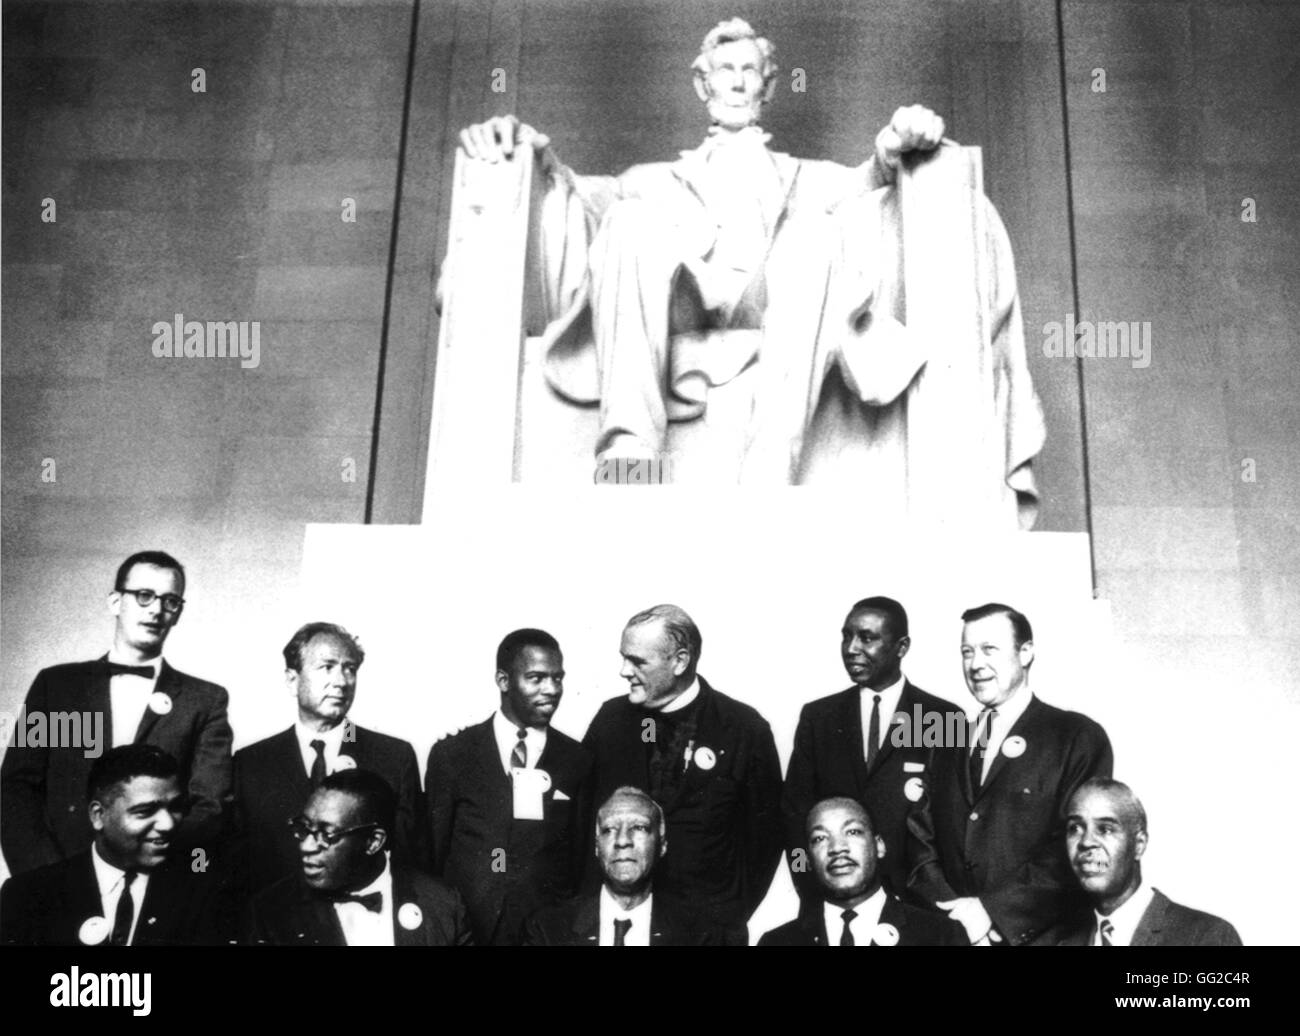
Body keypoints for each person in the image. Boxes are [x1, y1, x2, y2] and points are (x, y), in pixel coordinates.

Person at [455, 18, 1043, 512]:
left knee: (816, 232)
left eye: (748, 72)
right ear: (701, 84)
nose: (736, 83)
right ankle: (631, 454)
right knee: (630, 222)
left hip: (772, 295)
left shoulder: (807, 178)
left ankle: (771, 469)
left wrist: (894, 146)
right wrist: (532, 152)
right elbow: (574, 199)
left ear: (768, 85)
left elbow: (867, 188)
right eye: (724, 71)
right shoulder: (650, 181)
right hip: (683, 301)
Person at [2, 550, 233, 876]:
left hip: (152, 886)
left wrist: (147, 865)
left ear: (178, 614)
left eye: (170, 601)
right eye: (144, 596)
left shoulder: (204, 700)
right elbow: (17, 789)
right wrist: (45, 878)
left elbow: (209, 806)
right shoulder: (58, 686)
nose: (156, 610)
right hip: (60, 880)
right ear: (115, 602)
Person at [907, 603, 1113, 946]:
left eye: (989, 649)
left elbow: (1075, 846)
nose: (975, 664)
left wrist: (990, 913)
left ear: (1026, 652)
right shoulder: (946, 740)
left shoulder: (1075, 736)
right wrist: (960, 922)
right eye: (966, 652)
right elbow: (919, 842)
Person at [580, 604, 783, 928]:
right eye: (623, 657)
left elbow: (766, 842)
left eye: (637, 661)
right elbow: (583, 824)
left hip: (710, 929)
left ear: (680, 661)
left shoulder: (744, 729)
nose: (623, 671)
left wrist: (726, 919)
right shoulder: (610, 722)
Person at [782, 596, 964, 899]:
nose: (851, 648)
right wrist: (808, 886)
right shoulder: (819, 718)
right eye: (846, 636)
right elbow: (794, 818)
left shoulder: (942, 718)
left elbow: (950, 822)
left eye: (867, 638)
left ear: (902, 647)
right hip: (835, 906)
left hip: (918, 909)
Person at [425, 628, 593, 944]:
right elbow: (433, 852)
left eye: (558, 678)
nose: (552, 689)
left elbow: (580, 859)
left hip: (544, 932)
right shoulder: (452, 755)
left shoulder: (577, 761)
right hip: (466, 929)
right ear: (503, 680)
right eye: (537, 678)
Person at [232, 622, 426, 895]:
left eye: (350, 669)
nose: (341, 681)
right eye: (327, 667)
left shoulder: (394, 757)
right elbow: (235, 863)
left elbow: (410, 859)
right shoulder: (250, 762)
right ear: (292, 679)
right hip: (277, 925)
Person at [1, 745, 227, 946]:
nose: (168, 824)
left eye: (176, 807)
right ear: (98, 815)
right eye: (145, 811)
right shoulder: (26, 896)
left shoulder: (206, 897)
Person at [244, 769, 471, 946]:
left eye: (328, 834)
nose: (306, 845)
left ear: (373, 842)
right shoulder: (271, 913)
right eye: (304, 828)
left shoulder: (443, 906)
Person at [522, 786, 739, 945]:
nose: (623, 840)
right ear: (597, 848)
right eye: (609, 830)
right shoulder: (548, 932)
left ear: (662, 845)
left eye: (639, 827)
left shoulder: (701, 937)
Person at [1057, 778, 1242, 947]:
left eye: (1105, 829)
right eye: (1075, 828)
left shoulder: (1208, 936)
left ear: (1139, 845)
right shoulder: (1061, 941)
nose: (1086, 842)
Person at [760, 797, 964, 946]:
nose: (837, 847)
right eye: (820, 838)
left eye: (852, 832)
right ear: (810, 858)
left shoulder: (941, 936)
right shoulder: (776, 942)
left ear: (879, 846)